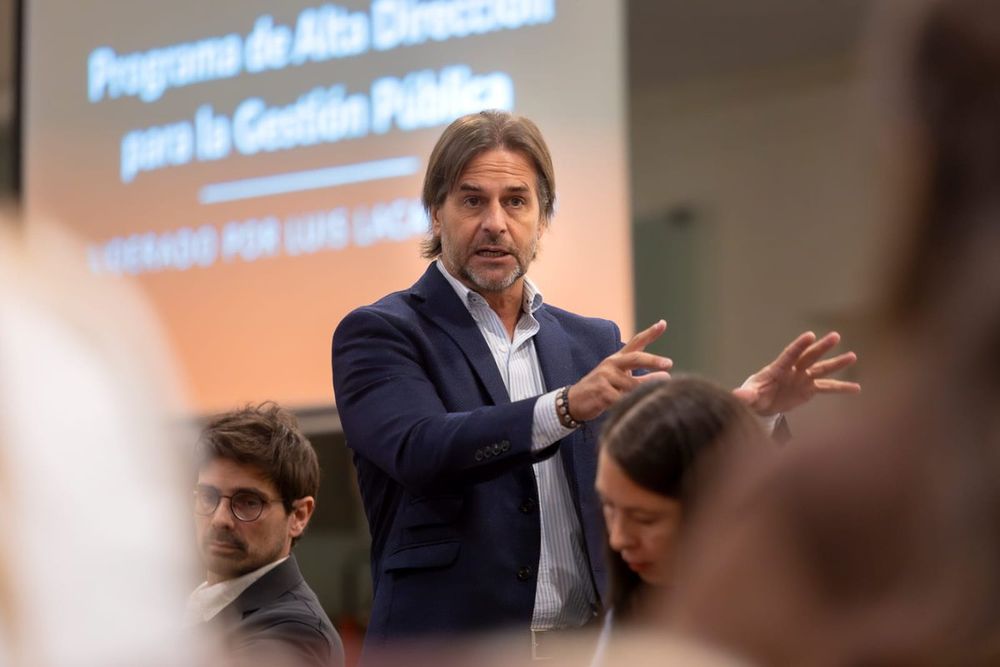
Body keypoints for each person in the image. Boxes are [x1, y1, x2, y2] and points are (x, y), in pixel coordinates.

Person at [331, 110, 859, 657]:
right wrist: (563, 408)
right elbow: (420, 449)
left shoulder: (590, 342)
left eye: (516, 201)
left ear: (542, 220)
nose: (495, 222)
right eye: (472, 201)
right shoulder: (381, 332)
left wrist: (744, 413)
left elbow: (651, 468)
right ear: (435, 215)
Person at [187, 402, 344, 667]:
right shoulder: (198, 607)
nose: (220, 519)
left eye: (248, 502)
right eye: (207, 496)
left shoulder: (295, 633)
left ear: (299, 516)